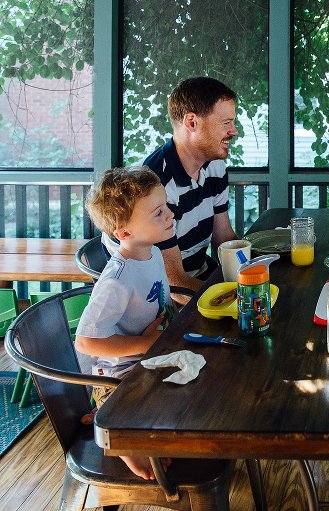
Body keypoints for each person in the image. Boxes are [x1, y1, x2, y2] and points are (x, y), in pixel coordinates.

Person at [76, 167, 176, 480]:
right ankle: (118, 438)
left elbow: (162, 305)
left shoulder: (154, 254)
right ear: (124, 232)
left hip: (150, 359)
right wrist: (147, 344)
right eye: (158, 212)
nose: (170, 214)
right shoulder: (117, 280)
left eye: (166, 206)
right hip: (119, 378)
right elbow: (85, 342)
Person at [102, 76, 239, 293]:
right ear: (191, 122)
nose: (234, 131)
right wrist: (240, 300)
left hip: (196, 275)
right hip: (151, 296)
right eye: (226, 123)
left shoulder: (215, 167)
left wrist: (254, 271)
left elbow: (224, 239)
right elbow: (173, 282)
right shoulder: (155, 187)